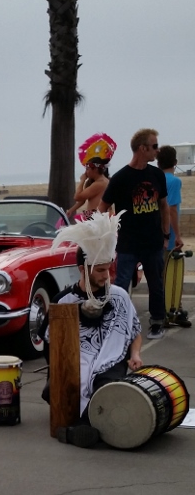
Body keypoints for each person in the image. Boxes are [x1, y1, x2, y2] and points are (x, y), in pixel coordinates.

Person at [43, 211, 143, 447]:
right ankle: (88, 427)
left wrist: (136, 354)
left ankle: (78, 430)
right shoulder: (63, 301)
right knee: (61, 388)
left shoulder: (119, 296)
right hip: (73, 362)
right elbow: (49, 345)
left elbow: (134, 330)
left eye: (108, 269)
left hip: (111, 360)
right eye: (100, 270)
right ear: (82, 268)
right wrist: (60, 371)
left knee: (106, 389)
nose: (106, 276)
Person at [98, 127, 169, 340]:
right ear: (142, 148)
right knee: (121, 285)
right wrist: (107, 233)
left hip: (153, 242)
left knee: (156, 285)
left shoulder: (157, 175)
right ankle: (118, 324)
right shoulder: (121, 178)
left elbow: (164, 206)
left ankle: (157, 322)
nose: (157, 150)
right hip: (128, 243)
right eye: (154, 146)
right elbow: (102, 208)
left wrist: (166, 236)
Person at [157, 144, 190, 329]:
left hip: (156, 234)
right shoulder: (174, 182)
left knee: (161, 276)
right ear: (175, 162)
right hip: (168, 236)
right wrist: (177, 235)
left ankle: (171, 310)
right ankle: (171, 311)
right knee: (172, 275)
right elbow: (171, 210)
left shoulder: (155, 178)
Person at [68, 132, 116, 220]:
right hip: (96, 216)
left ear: (95, 169)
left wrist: (82, 180)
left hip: (96, 217)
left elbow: (77, 197)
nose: (86, 172)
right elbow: (82, 200)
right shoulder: (101, 181)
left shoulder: (100, 183)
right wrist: (71, 210)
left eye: (87, 169)